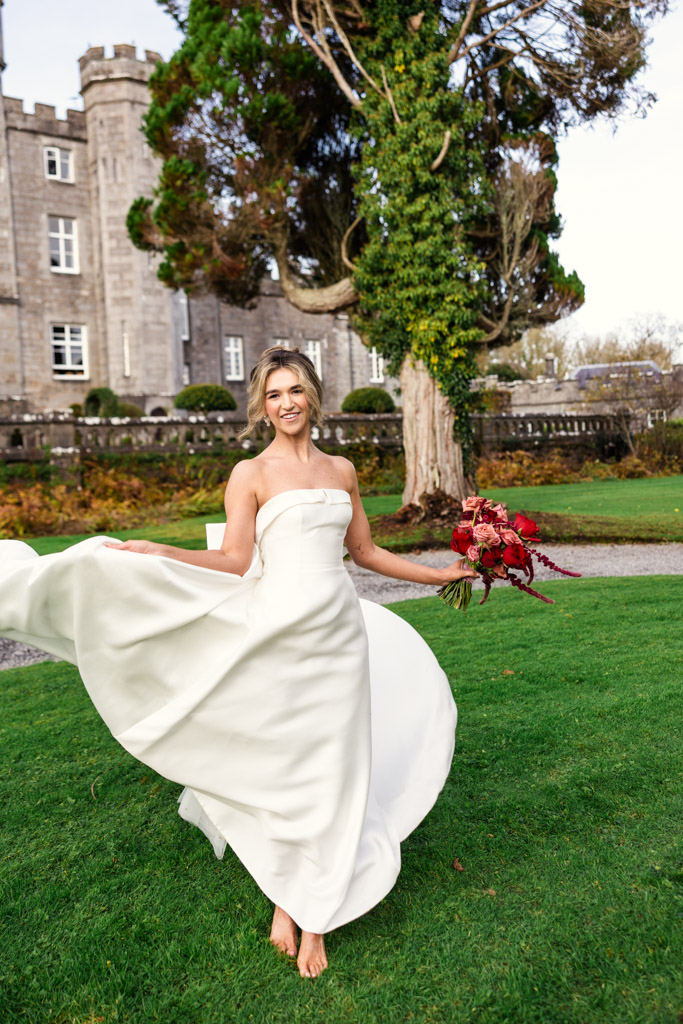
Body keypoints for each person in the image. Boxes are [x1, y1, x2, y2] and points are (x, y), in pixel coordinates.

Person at [0, 347, 476, 979]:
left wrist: (437, 572)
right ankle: (292, 894)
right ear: (263, 406)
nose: (287, 403)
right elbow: (232, 560)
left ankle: (311, 916)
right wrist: (153, 550)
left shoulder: (342, 469)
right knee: (287, 769)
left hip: (339, 636)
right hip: (278, 635)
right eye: (274, 394)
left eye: (296, 390)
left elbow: (363, 551)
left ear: (313, 395)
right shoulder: (250, 473)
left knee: (336, 768)